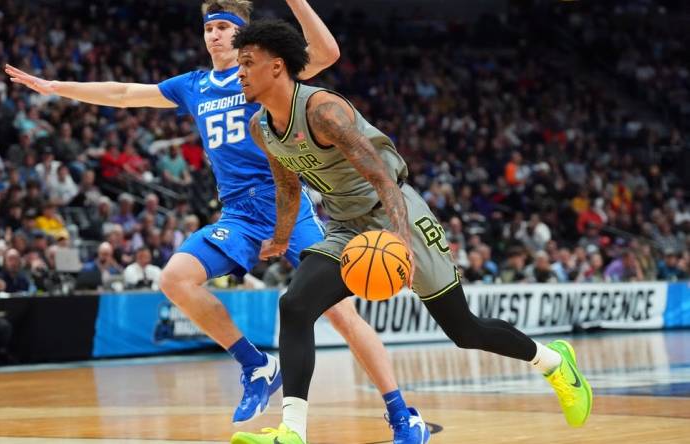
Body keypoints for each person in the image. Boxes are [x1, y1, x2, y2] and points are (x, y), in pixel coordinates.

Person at [6, 1, 426, 440]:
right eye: (210, 27)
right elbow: (125, 94)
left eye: (225, 27)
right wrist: (56, 87)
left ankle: (401, 413)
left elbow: (326, 52)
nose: (214, 35)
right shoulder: (193, 85)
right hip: (240, 213)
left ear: (244, 36)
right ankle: (256, 364)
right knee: (174, 278)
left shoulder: (266, 75)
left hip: (287, 203)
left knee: (342, 315)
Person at [229, 20, 592, 444]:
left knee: (464, 330)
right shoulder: (261, 127)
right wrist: (281, 235)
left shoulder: (323, 112)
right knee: (294, 305)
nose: (239, 72)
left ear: (276, 67)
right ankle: (292, 432)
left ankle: (552, 362)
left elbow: (384, 179)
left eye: (247, 63)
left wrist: (400, 239)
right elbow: (288, 185)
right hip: (346, 224)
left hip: (396, 212)